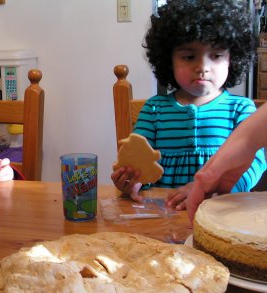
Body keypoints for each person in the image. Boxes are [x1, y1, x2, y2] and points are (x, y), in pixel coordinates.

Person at [111, 0, 266, 208]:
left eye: (216, 55)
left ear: (233, 58)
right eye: (189, 56)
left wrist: (223, 189)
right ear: (169, 60)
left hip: (218, 211)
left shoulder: (240, 109)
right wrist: (131, 181)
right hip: (163, 214)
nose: (202, 67)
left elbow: (254, 162)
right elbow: (141, 162)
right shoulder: (154, 110)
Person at [187, 102, 267, 222]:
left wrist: (233, 192)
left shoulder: (240, 107)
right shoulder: (155, 106)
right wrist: (247, 140)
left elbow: (256, 160)